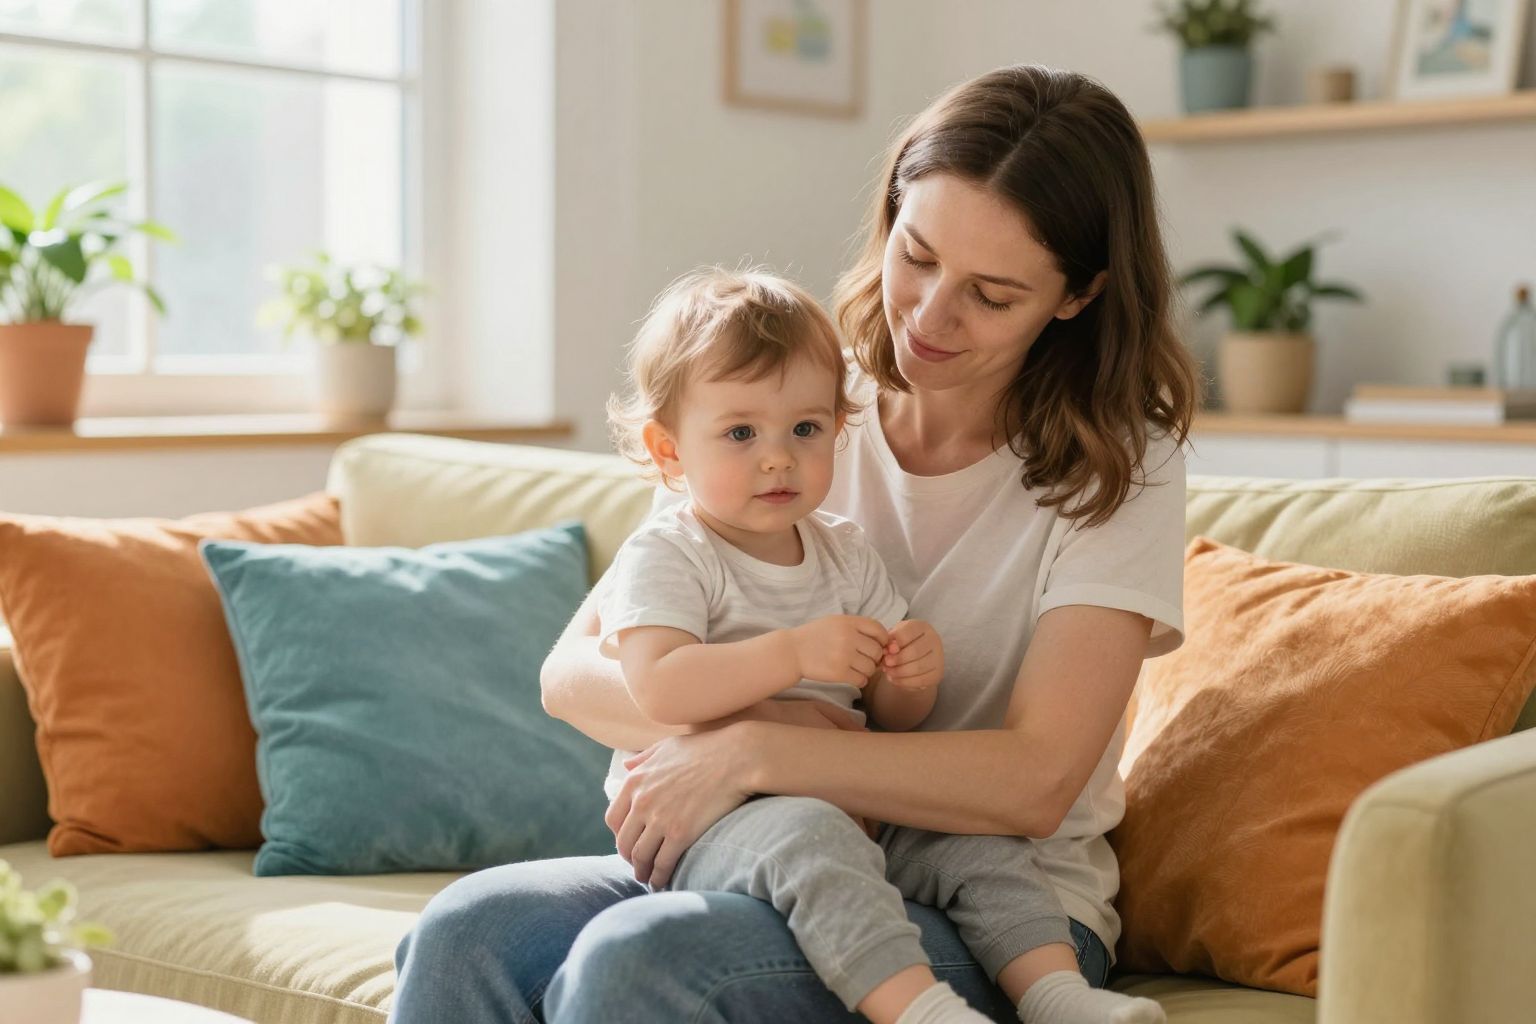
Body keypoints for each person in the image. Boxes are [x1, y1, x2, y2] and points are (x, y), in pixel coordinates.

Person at [389, 62, 1200, 1024]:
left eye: (991, 294)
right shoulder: (798, 402)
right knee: (466, 929)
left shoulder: (1119, 460)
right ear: (890, 215)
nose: (930, 317)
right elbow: (573, 674)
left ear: (1076, 296)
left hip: (1002, 905)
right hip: (768, 849)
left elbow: (1034, 783)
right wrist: (758, 738)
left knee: (646, 957)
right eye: (919, 254)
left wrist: (757, 750)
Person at [591, 265, 1164, 1024]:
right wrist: (791, 661)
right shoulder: (672, 552)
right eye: (741, 434)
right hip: (726, 821)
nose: (777, 457)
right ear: (668, 453)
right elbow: (657, 685)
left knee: (977, 849)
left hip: (861, 806)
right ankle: (921, 1011)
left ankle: (1056, 995)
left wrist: (908, 672)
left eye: (805, 430)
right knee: (808, 844)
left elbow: (893, 719)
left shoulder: (842, 551)